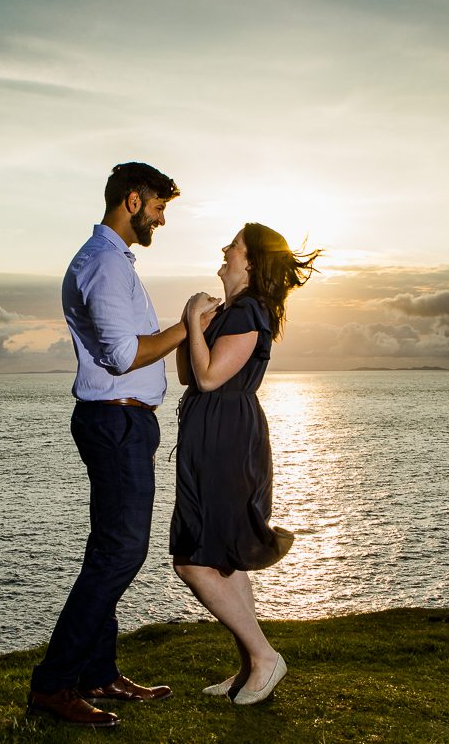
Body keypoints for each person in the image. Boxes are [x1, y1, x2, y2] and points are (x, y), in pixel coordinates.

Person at [28, 162, 191, 729]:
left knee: (109, 551)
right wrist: (189, 325)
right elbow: (123, 355)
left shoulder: (112, 261)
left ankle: (97, 672)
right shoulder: (102, 264)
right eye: (159, 207)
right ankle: (54, 685)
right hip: (115, 424)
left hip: (121, 422)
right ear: (132, 200)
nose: (162, 219)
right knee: (121, 554)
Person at [170, 222, 320, 705]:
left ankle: (264, 656)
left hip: (226, 442)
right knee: (226, 560)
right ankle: (248, 668)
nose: (224, 250)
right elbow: (188, 374)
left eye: (233, 246)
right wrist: (192, 322)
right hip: (213, 437)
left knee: (194, 560)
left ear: (251, 261)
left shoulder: (249, 310)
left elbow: (210, 379)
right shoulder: (233, 311)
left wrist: (195, 322)